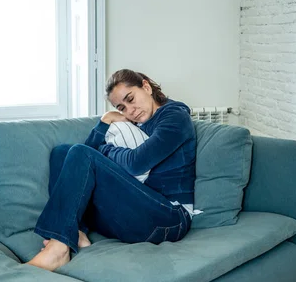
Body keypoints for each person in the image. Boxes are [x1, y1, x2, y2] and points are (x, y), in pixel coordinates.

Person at [27, 69, 197, 271]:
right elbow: (82, 154)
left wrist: (106, 150)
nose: (130, 110)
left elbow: (136, 163)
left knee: (82, 154)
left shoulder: (174, 117)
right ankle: (76, 231)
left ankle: (59, 248)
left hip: (168, 218)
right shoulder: (135, 122)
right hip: (137, 210)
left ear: (146, 86)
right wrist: (105, 121)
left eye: (131, 98)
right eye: (122, 107)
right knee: (62, 152)